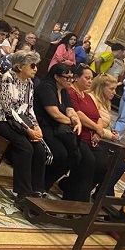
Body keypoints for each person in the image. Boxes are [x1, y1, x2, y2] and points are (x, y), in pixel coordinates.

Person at [0, 50, 46, 204]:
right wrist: (28, 130)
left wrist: (36, 127)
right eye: (32, 65)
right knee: (25, 147)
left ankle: (37, 190)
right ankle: (22, 193)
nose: (36, 69)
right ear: (20, 66)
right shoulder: (8, 78)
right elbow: (8, 109)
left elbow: (29, 109)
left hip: (19, 122)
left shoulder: (29, 83)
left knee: (39, 149)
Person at [32, 63, 92, 201]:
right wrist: (72, 122)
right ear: (57, 77)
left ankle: (46, 183)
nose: (71, 81)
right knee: (60, 154)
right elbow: (55, 114)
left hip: (57, 127)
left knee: (75, 156)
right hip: (42, 125)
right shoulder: (46, 87)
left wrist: (76, 120)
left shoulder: (63, 90)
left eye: (72, 77)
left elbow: (70, 109)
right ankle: (37, 184)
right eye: (67, 78)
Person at [68, 63, 118, 198]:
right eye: (87, 78)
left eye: (91, 78)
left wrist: (99, 131)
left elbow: (98, 118)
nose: (90, 81)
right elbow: (80, 115)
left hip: (95, 137)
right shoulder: (76, 93)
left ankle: (88, 194)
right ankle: (75, 195)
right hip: (81, 135)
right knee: (90, 161)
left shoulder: (89, 97)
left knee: (106, 164)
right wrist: (101, 131)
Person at [89, 73, 125, 196]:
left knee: (120, 164)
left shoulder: (105, 102)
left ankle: (102, 192)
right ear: (101, 87)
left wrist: (112, 132)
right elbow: (93, 124)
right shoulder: (92, 99)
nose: (114, 92)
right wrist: (110, 135)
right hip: (90, 137)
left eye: (115, 89)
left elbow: (103, 124)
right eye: (111, 89)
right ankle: (98, 191)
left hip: (100, 138)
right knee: (109, 163)